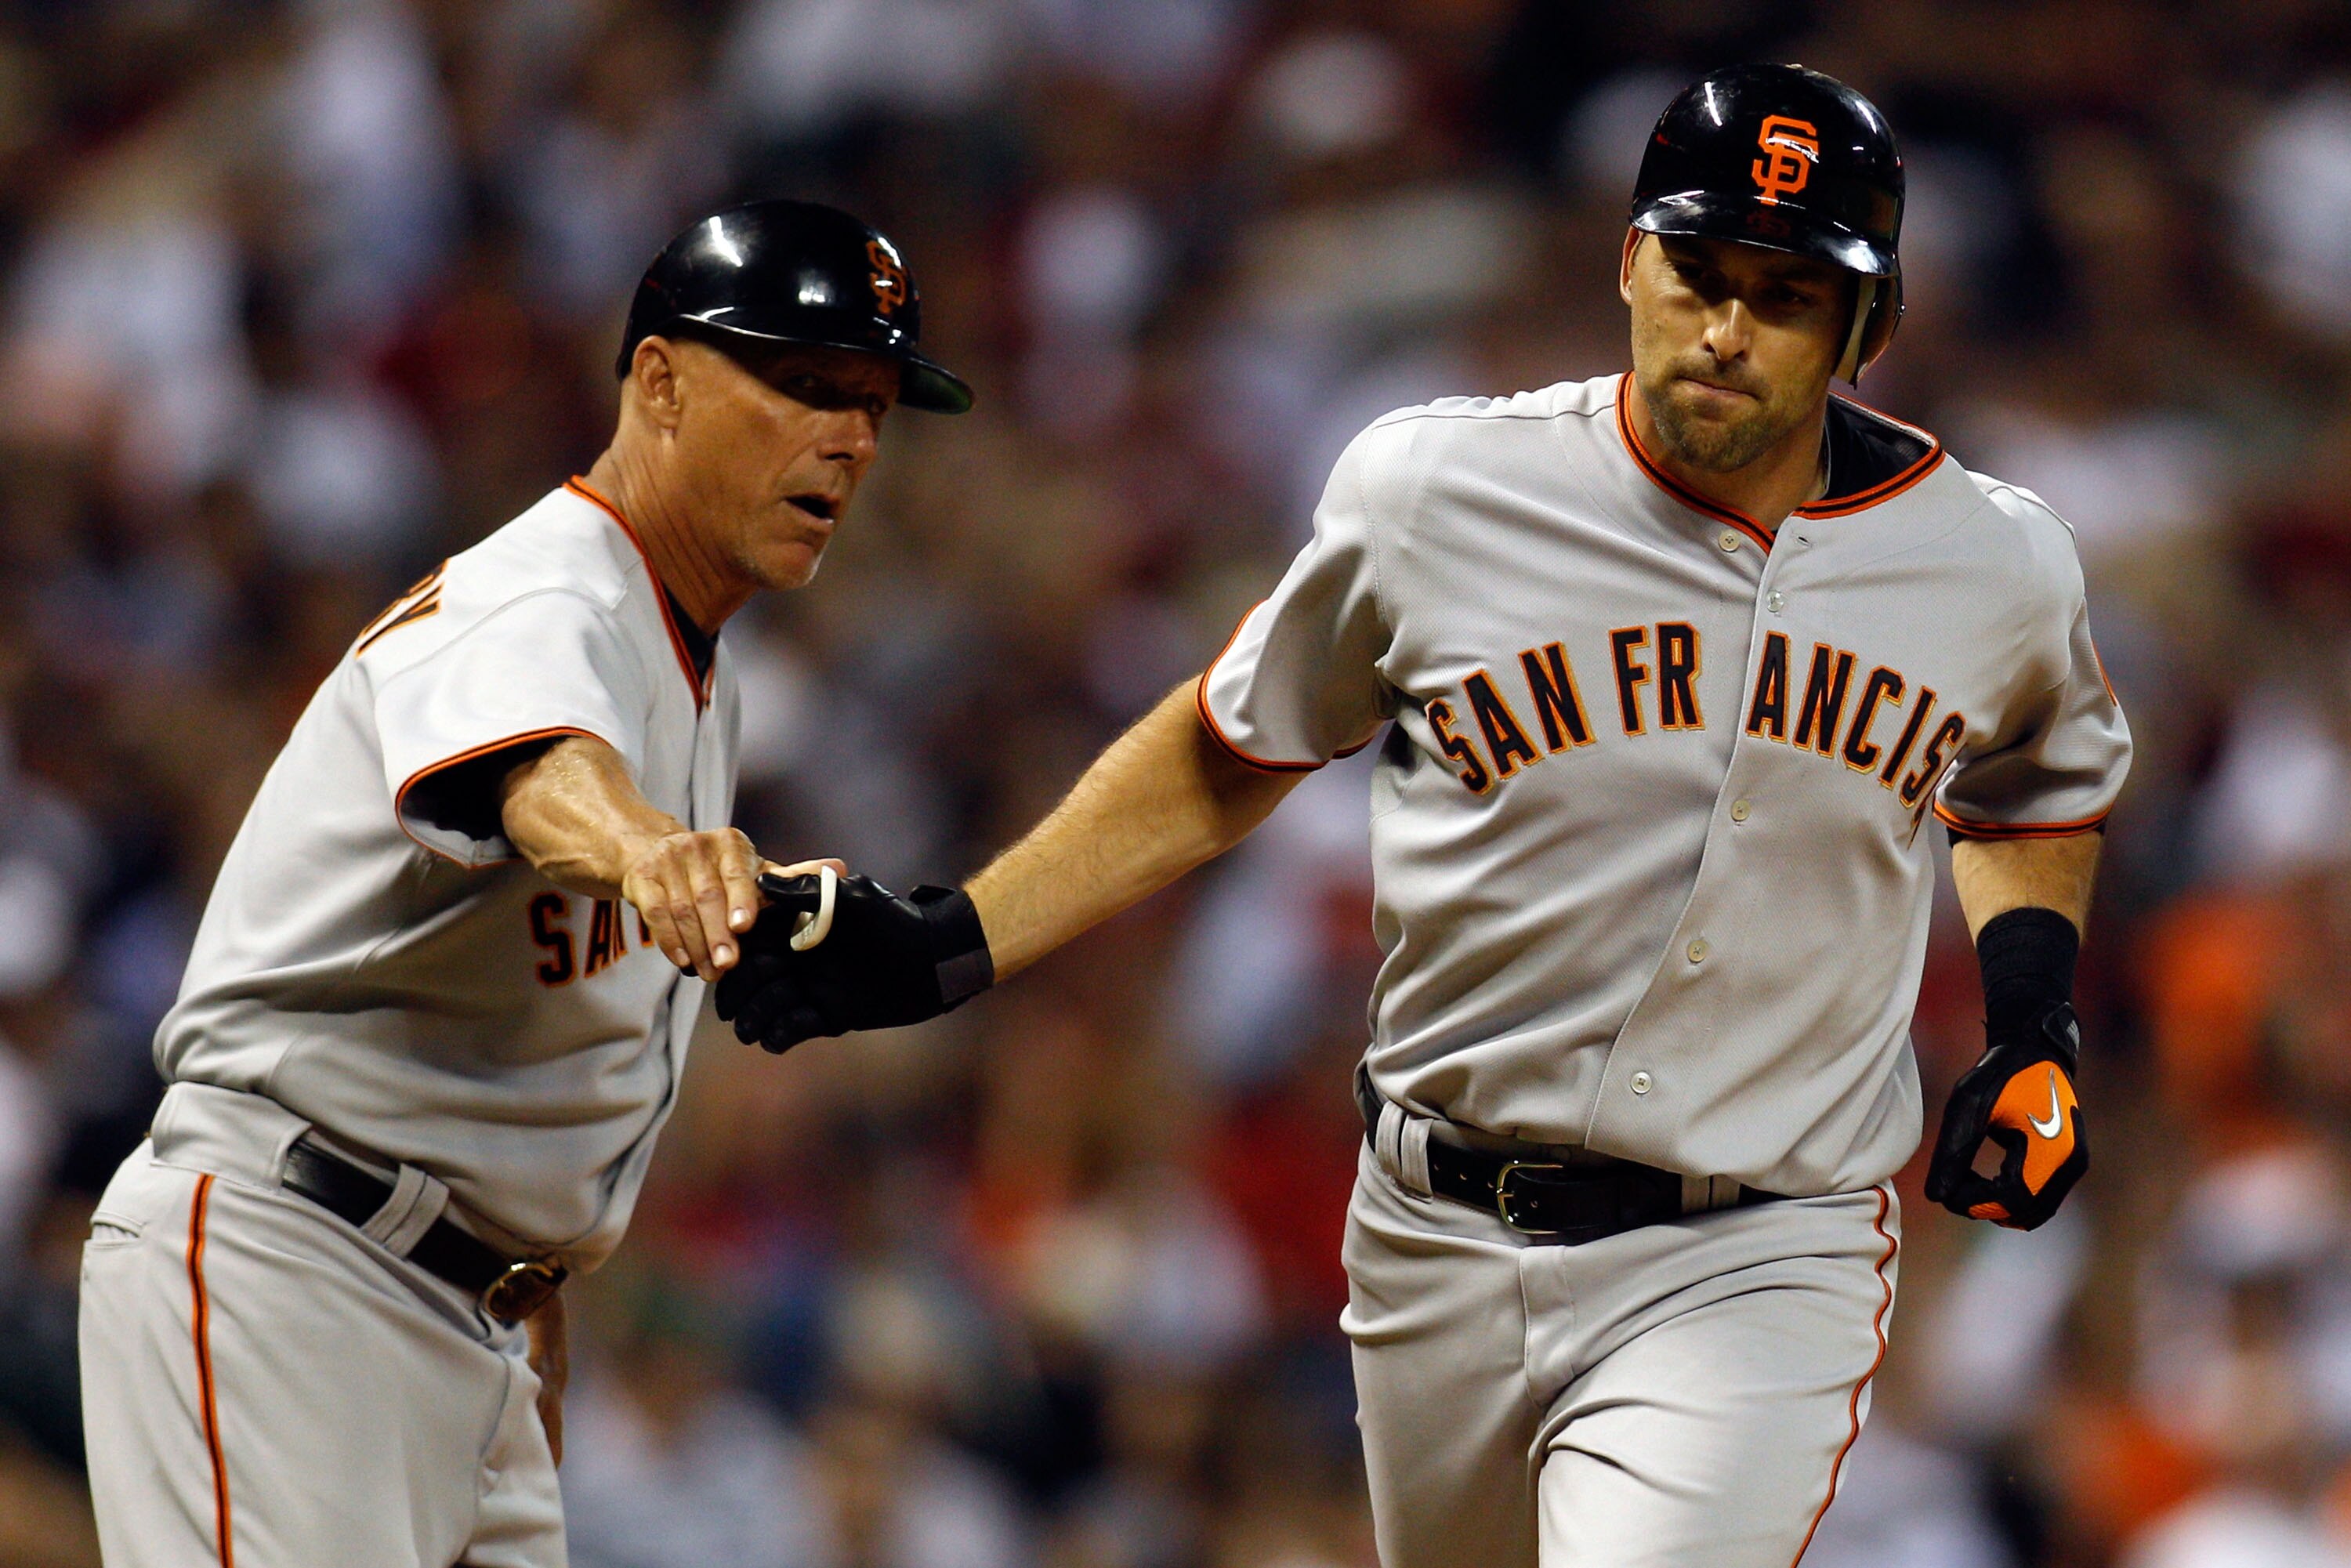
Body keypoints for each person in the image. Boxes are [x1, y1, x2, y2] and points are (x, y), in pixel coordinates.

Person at [715, 65, 2131, 1568]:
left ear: (1870, 325)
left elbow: (2036, 781)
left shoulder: (1993, 566)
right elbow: (1229, 742)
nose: (1724, 331)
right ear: (1631, 261)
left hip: (1757, 1245)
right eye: (1698, 273)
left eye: (1782, 296)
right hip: (1435, 1228)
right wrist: (961, 937)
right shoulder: (1438, 490)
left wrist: (2034, 1025)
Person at [75, 198, 971, 1567]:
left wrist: (526, 1277)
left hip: (462, 1313)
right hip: (292, 1266)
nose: (849, 438)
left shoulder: (697, 661)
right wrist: (648, 849)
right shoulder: (545, 593)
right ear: (658, 380)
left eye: (873, 404)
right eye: (804, 386)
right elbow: (539, 773)